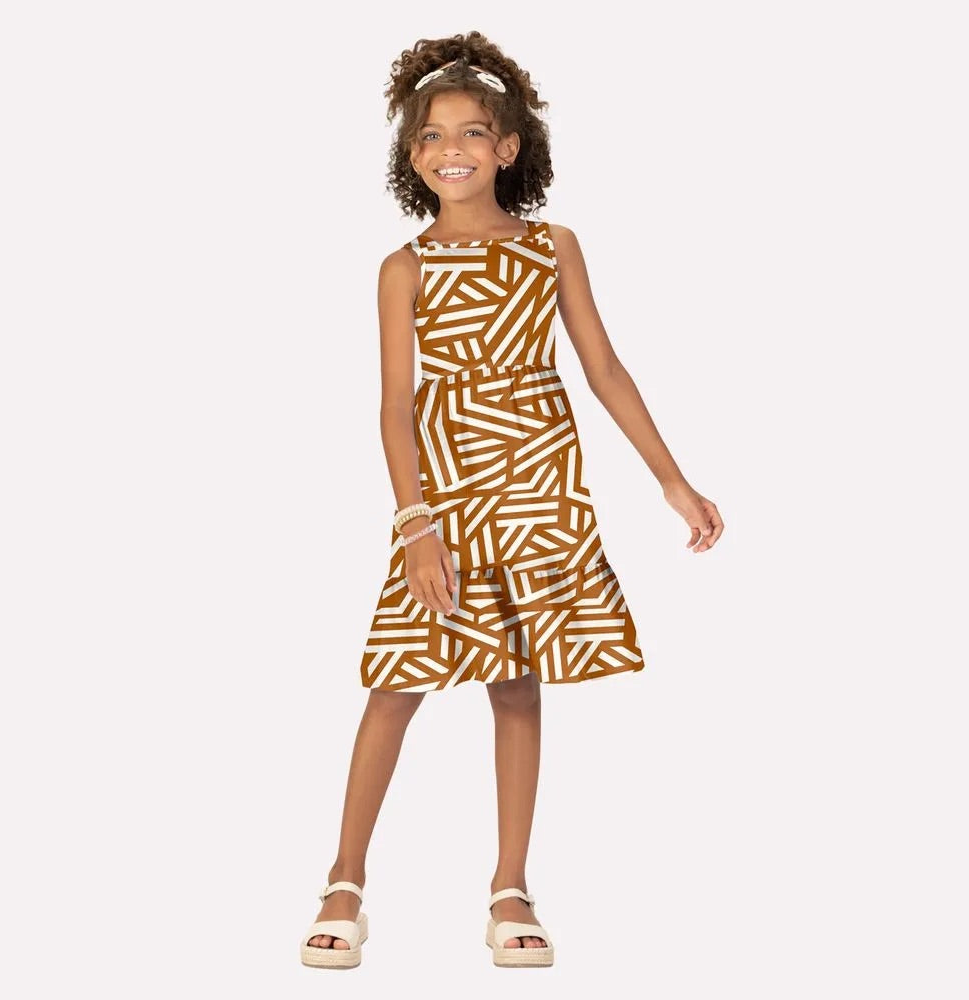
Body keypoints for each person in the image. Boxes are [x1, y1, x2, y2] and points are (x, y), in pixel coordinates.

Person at [301, 31, 724, 971]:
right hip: (447, 494)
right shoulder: (405, 267)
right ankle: (344, 879)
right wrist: (415, 523)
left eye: (470, 132)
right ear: (411, 155)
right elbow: (396, 405)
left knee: (518, 680)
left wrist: (671, 478)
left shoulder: (551, 247)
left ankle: (509, 888)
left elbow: (603, 368)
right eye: (430, 135)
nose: (449, 149)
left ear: (507, 146)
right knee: (398, 681)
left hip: (538, 483)